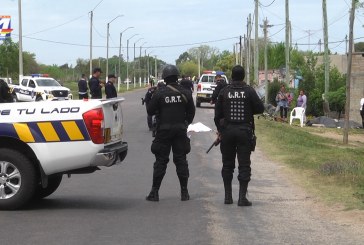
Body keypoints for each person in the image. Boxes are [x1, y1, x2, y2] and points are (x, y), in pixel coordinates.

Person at [214, 65, 264, 206]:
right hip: (244, 132)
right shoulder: (249, 91)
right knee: (244, 165)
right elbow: (260, 108)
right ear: (243, 76)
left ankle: (228, 197)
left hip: (227, 132)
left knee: (227, 165)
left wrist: (220, 130)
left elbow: (217, 115)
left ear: (232, 76)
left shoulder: (224, 91)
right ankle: (242, 198)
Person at [146, 65, 195, 202]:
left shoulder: (160, 93)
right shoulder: (186, 92)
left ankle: (154, 193)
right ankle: (184, 193)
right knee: (181, 160)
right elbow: (191, 112)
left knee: (161, 161)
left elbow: (150, 110)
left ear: (165, 78)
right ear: (177, 77)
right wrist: (185, 123)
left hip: (164, 131)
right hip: (180, 130)